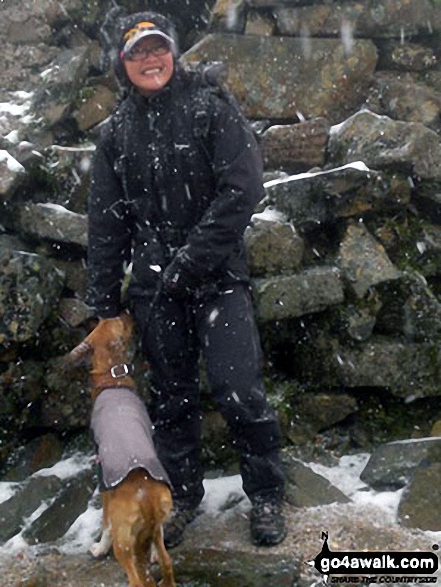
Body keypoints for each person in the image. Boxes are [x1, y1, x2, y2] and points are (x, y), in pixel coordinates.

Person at [87, 11, 286, 548]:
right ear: (122, 63)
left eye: (158, 49)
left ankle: (266, 493)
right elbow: (106, 223)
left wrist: (192, 260)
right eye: (137, 53)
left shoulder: (209, 107)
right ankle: (184, 497)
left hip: (218, 278)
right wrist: (106, 303)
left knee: (238, 388)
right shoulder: (116, 134)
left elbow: (242, 188)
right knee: (172, 400)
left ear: (172, 52)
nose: (150, 60)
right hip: (155, 291)